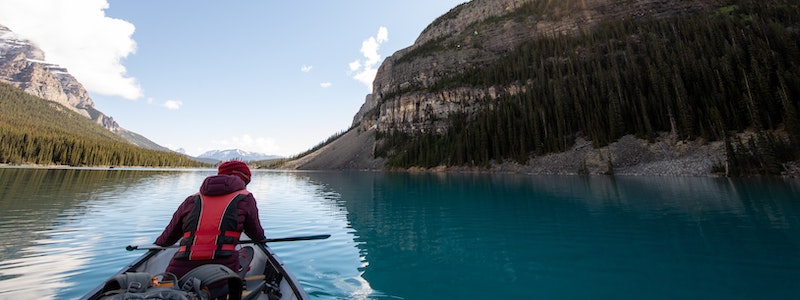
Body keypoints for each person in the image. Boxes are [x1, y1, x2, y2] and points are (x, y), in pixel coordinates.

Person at [154, 160, 266, 280]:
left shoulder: (191, 200)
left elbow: (164, 240)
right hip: (221, 274)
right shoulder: (245, 198)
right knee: (245, 256)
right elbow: (257, 236)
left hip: (178, 274)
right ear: (243, 180)